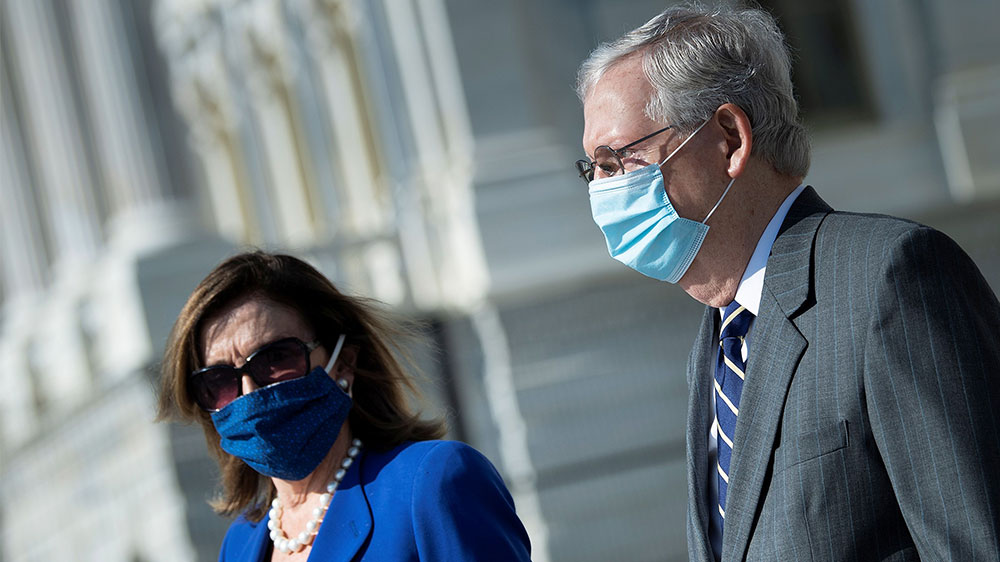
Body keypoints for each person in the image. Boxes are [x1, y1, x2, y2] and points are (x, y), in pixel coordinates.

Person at [575, 4, 1000, 561]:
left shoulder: (889, 278)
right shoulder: (717, 343)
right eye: (594, 169)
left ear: (729, 138)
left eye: (618, 160)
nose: (603, 191)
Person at [158, 251, 531, 561]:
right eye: (219, 380)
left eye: (276, 358)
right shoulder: (240, 545)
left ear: (344, 362)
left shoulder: (433, 482)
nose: (250, 391)